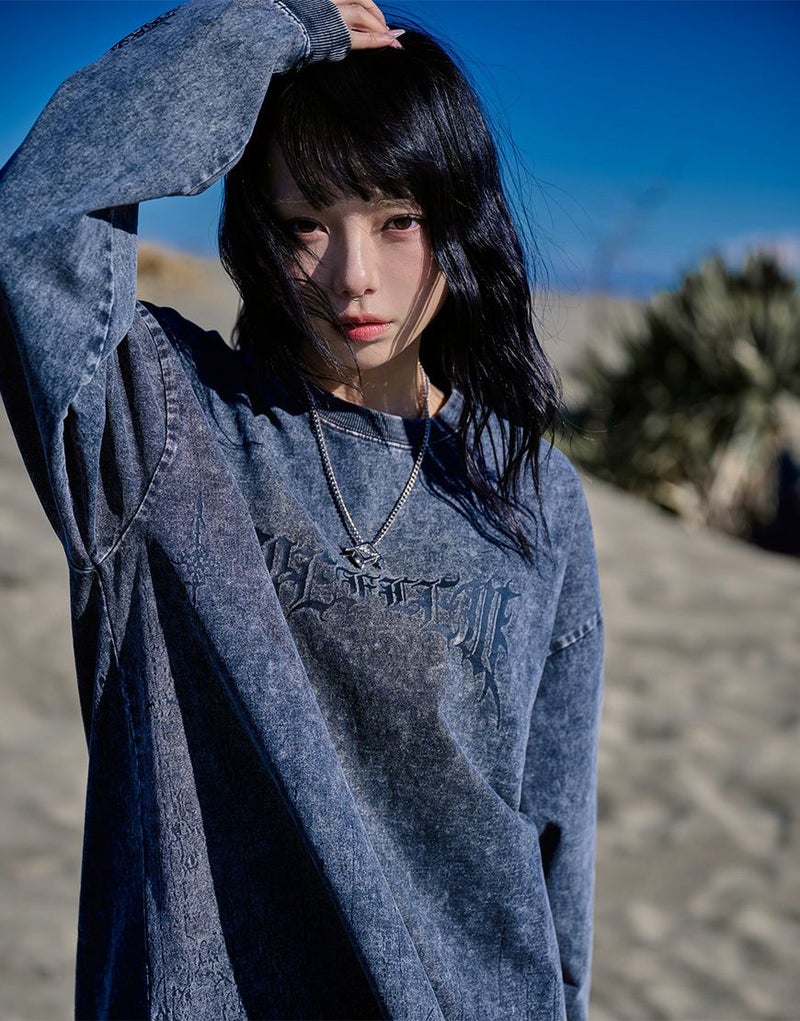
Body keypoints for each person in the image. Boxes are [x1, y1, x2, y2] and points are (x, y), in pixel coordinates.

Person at [0, 1, 603, 1018]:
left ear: (459, 219)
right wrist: (269, 29)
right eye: (306, 225)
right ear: (258, 231)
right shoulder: (163, 428)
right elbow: (33, 221)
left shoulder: (535, 496)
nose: (353, 276)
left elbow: (553, 853)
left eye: (398, 219)